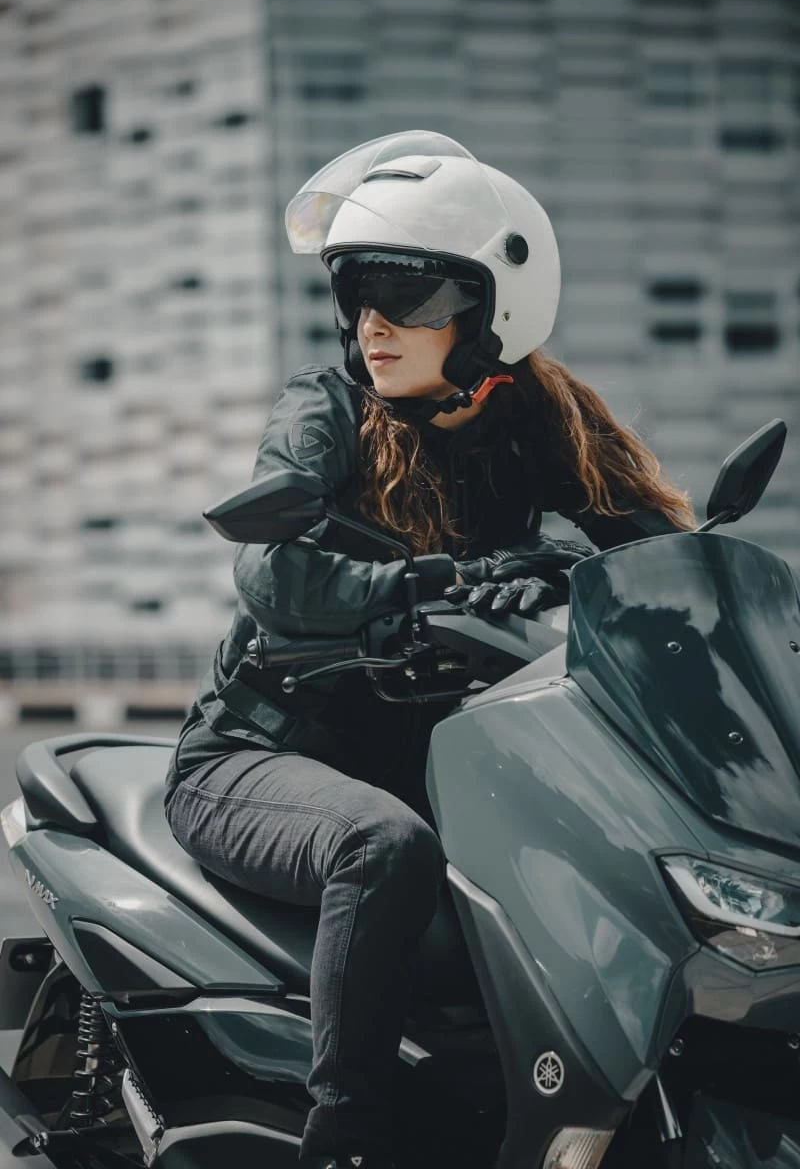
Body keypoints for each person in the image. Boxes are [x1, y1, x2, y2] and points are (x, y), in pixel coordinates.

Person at [163, 131, 695, 1169]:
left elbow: (656, 556)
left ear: (490, 312)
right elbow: (275, 577)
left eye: (405, 297)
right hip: (258, 756)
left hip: (425, 763)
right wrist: (437, 579)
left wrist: (572, 571)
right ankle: (345, 1139)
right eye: (358, 293)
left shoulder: (536, 419)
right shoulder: (321, 409)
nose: (373, 323)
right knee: (384, 847)